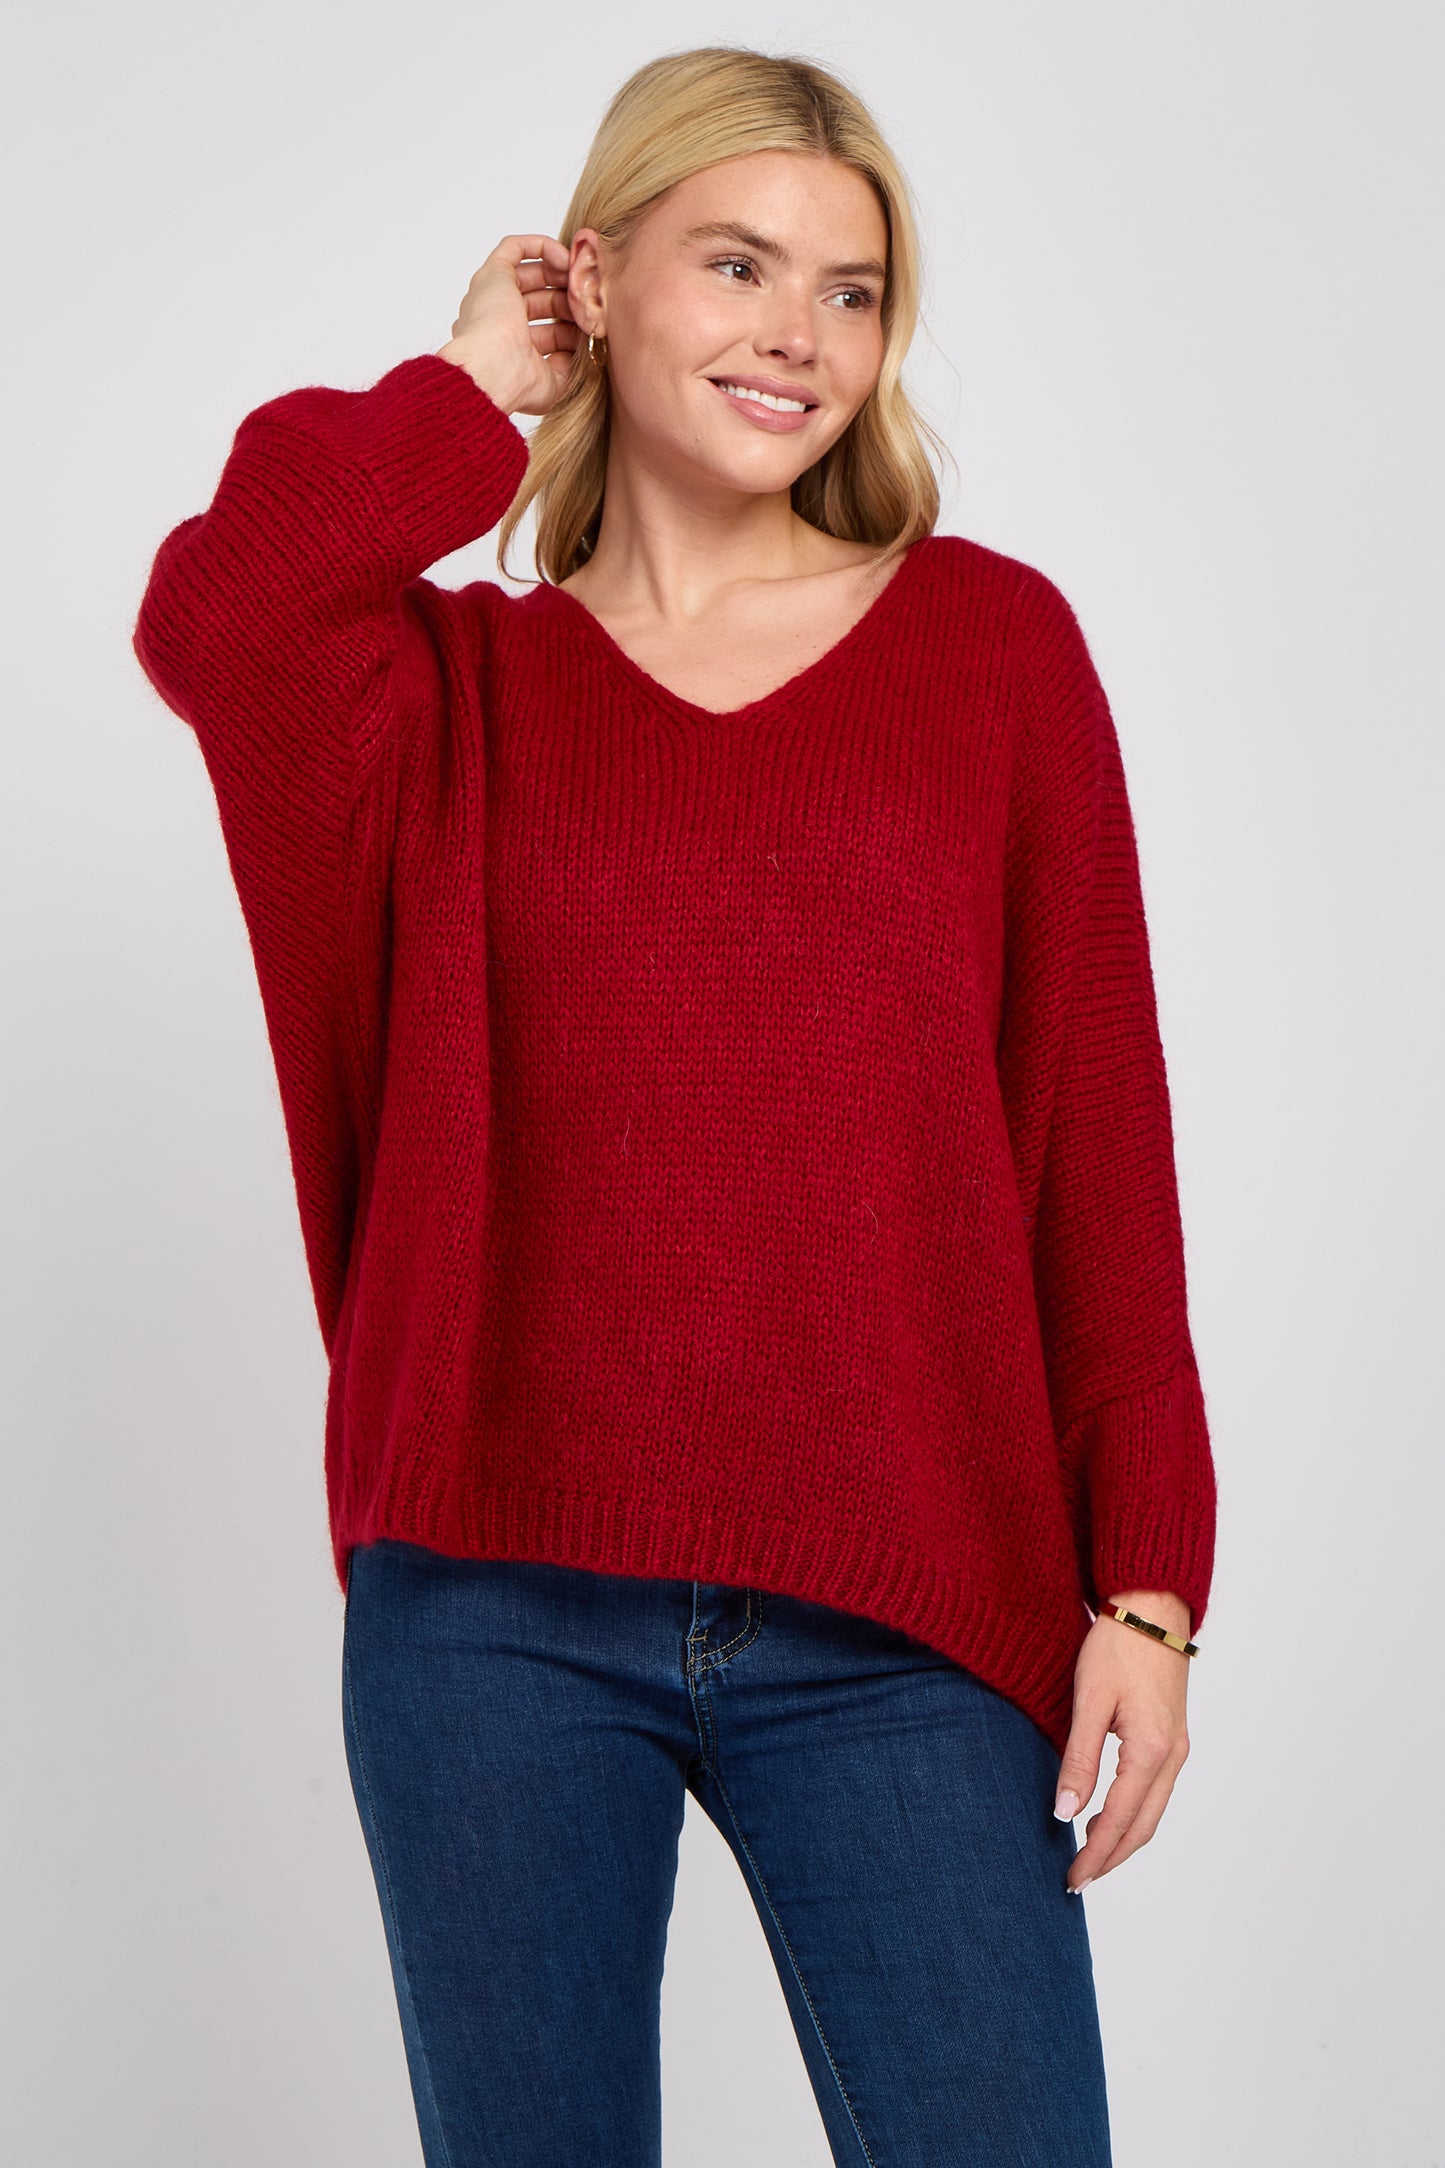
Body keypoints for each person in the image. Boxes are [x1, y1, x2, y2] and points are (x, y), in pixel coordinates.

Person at [132, 42, 1217, 2168]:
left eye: (850, 290)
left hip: (908, 1593)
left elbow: (1096, 1136)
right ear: (595, 275)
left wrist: (1150, 1581)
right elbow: (221, 613)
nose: (798, 332)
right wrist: (470, 386)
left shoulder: (992, 651)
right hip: (491, 1605)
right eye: (735, 264)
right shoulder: (442, 693)